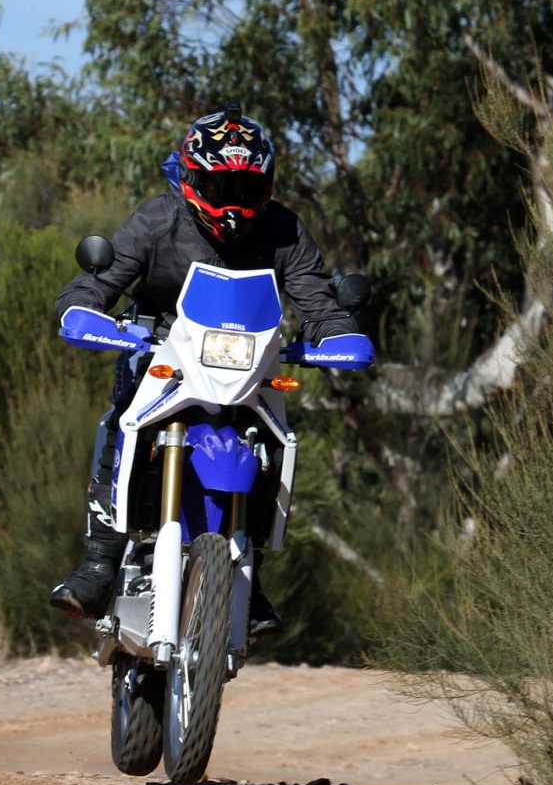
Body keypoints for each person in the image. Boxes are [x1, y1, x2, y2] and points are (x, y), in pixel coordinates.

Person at [48, 104, 362, 630]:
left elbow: (315, 299)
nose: (233, 202)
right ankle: (99, 564)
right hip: (161, 352)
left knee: (272, 443)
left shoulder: (284, 229)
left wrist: (339, 333)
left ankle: (250, 577)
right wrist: (84, 305)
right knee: (122, 416)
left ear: (265, 184)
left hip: (247, 366)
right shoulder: (157, 219)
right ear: (192, 177)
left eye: (245, 188)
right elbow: (103, 279)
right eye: (220, 189)